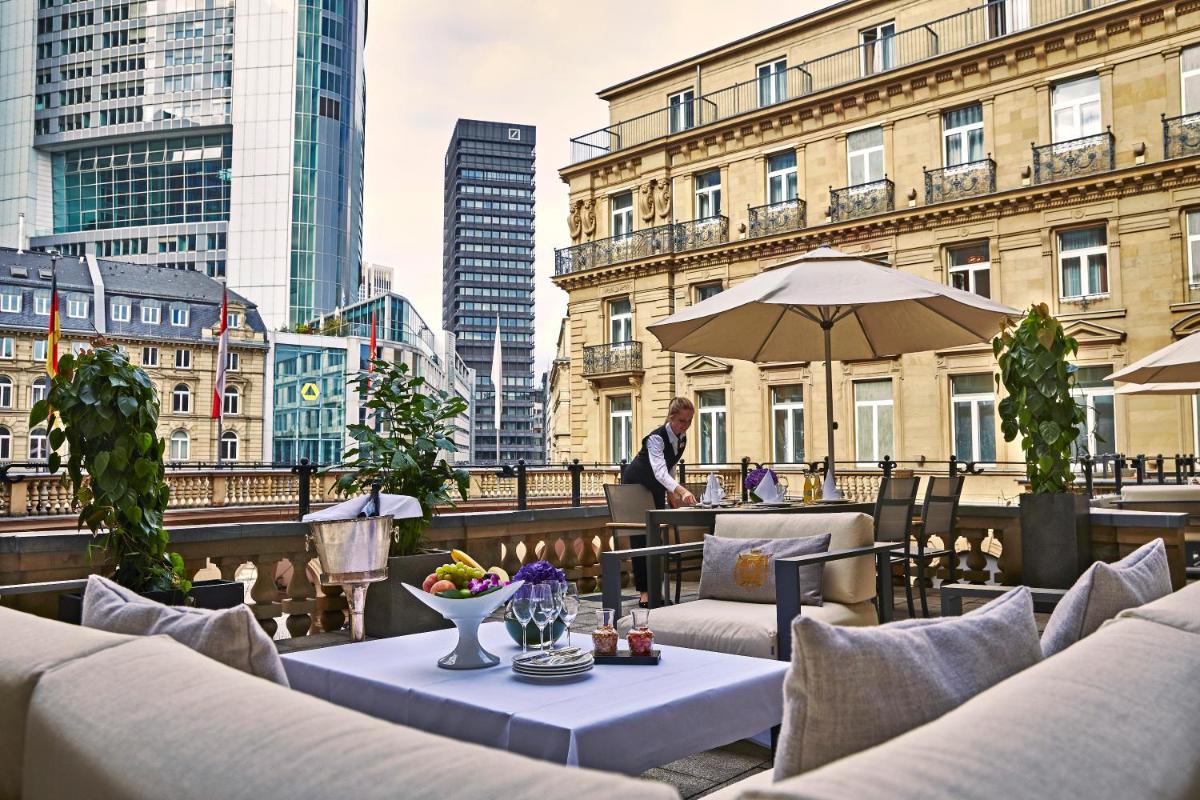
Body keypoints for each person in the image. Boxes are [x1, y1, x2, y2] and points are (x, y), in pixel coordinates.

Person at [620, 396, 697, 606]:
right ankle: (644, 593)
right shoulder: (656, 438)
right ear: (671, 417)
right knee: (640, 537)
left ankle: (656, 590)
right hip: (635, 484)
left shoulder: (681, 438)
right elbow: (660, 471)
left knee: (656, 537)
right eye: (682, 421)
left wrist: (671, 494)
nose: (686, 426)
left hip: (654, 486)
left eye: (690, 421)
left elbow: (670, 465)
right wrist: (681, 491)